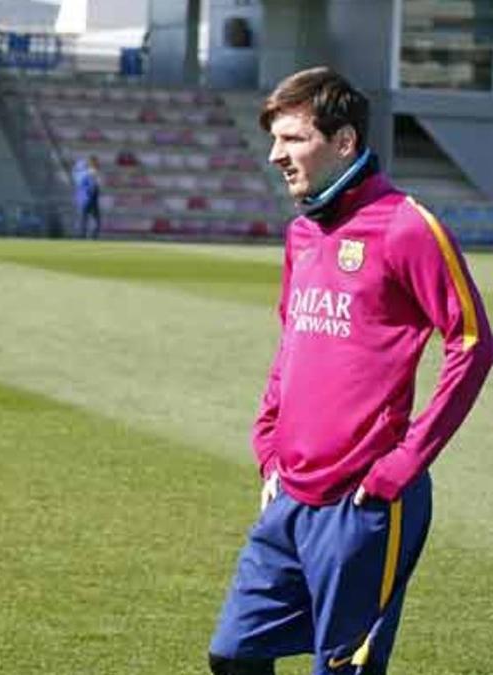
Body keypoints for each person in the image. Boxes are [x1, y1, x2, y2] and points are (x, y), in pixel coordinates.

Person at [208, 67, 492, 675]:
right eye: (275, 140)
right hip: (290, 494)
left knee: (343, 671)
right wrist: (268, 444)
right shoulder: (302, 233)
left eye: (293, 139)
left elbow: (471, 339)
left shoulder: (406, 226)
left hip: (366, 501)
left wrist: (405, 461)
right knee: (233, 654)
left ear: (343, 142)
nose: (276, 155)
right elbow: (292, 340)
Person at [71, 155, 101, 238]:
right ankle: (92, 235)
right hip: (88, 196)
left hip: (82, 196)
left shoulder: (77, 174)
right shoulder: (89, 172)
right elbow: (94, 184)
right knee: (93, 217)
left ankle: (83, 235)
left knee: (84, 217)